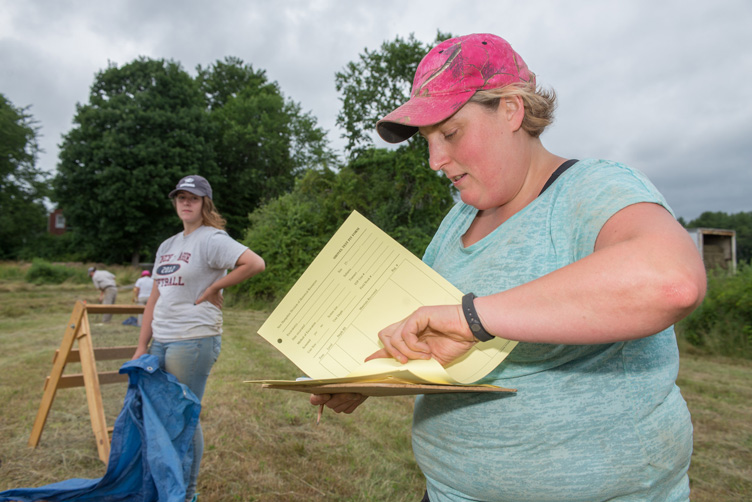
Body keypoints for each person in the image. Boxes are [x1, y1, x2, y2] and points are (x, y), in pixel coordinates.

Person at [311, 33, 707, 501]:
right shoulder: (458, 216)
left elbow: (670, 282)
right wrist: (368, 382)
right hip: (447, 490)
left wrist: (472, 318)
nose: (436, 160)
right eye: (428, 141)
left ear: (511, 110)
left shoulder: (592, 189)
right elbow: (438, 341)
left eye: (451, 133)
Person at [132, 174, 265, 502]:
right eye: (180, 197)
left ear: (205, 202)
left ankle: (186, 495)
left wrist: (215, 286)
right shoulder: (168, 245)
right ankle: (169, 484)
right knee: (165, 413)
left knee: (183, 414)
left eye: (193, 197)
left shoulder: (212, 239)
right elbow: (154, 299)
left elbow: (254, 263)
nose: (186, 202)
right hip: (161, 338)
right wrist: (141, 345)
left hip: (192, 339)